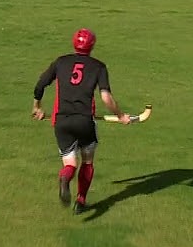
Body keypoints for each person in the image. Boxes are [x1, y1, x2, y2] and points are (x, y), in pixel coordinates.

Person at [31, 28, 132, 214]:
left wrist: (37, 107)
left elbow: (41, 84)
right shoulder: (99, 66)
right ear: (92, 45)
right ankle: (81, 200)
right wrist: (120, 116)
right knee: (87, 162)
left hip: (61, 121)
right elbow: (106, 97)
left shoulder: (61, 62)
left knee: (70, 164)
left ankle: (65, 177)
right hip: (85, 121)